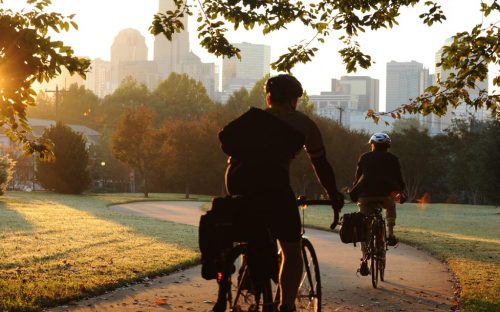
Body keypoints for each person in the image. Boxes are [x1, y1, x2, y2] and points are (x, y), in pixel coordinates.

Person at [219, 74, 344, 312]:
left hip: (236, 182)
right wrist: (333, 194)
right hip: (273, 186)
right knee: (291, 250)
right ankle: (285, 305)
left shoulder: (250, 119)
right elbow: (321, 164)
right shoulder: (304, 124)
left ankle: (251, 272)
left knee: (252, 230)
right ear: (294, 100)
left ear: (268, 98)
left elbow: (225, 139)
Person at [349, 132, 407, 276]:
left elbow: (357, 179)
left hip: (365, 197)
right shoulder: (393, 159)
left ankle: (364, 260)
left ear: (372, 145)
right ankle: (390, 234)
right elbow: (398, 179)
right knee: (391, 206)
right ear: (388, 146)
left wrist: (354, 193)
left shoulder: (364, 157)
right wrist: (401, 191)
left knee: (364, 227)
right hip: (385, 196)